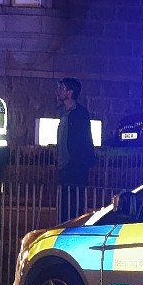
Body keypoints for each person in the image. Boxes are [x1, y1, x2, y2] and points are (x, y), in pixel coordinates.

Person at [55, 76, 96, 222]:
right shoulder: (65, 113)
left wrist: (77, 162)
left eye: (62, 88)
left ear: (70, 92)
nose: (59, 91)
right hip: (66, 166)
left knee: (74, 204)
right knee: (65, 204)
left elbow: (81, 141)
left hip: (75, 167)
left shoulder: (79, 114)